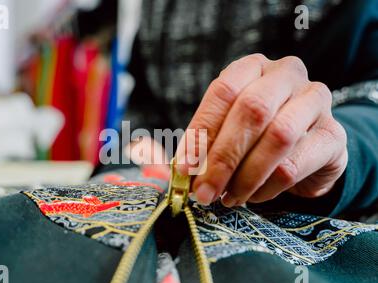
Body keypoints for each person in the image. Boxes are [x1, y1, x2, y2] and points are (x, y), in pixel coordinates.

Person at [125, 0, 378, 219]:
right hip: (168, 200)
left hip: (310, 225)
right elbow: (144, 99)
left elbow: (370, 93)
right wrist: (141, 142)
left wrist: (339, 148)